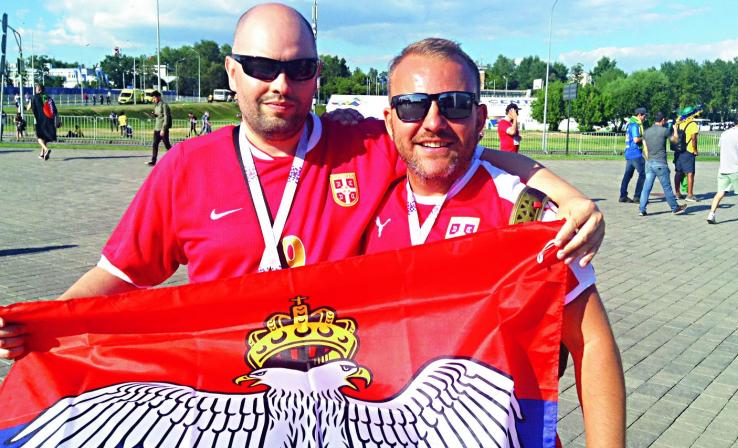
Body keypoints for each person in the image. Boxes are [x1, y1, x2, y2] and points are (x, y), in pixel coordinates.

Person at [0, 2, 604, 363]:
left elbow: (465, 147)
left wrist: (571, 197)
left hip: (344, 398)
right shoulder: (187, 167)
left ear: (317, 76)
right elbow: (120, 275)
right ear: (232, 72)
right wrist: (41, 320)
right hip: (226, 392)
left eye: (299, 69)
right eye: (262, 68)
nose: (280, 85)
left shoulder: (364, 143)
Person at [364, 37, 625, 447]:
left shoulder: (527, 213)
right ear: (389, 118)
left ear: (480, 116)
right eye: (412, 105)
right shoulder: (367, 203)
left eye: (454, 104)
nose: (433, 121)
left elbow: (591, 341)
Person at [707, 112, 738, 224]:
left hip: (723, 168)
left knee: (720, 192)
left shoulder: (724, 134)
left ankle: (711, 214)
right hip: (736, 169)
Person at [638, 112, 687, 216]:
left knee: (647, 187)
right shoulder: (665, 131)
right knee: (667, 187)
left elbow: (645, 148)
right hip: (660, 163)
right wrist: (674, 129)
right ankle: (675, 208)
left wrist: (649, 159)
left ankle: (642, 209)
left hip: (649, 162)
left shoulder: (646, 132)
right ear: (663, 120)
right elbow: (675, 140)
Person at [619, 107, 646, 203]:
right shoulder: (635, 125)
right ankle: (637, 196)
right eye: (644, 115)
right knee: (644, 173)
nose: (645, 118)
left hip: (629, 153)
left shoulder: (630, 123)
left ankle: (623, 196)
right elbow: (636, 139)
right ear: (639, 115)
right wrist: (644, 137)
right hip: (635, 153)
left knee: (628, 175)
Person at [674, 106, 700, 202]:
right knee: (690, 173)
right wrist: (695, 149)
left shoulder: (679, 122)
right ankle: (689, 195)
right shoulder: (693, 124)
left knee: (678, 172)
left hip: (678, 151)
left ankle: (677, 193)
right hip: (688, 151)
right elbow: (694, 138)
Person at [28, 84, 59, 160]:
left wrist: (24, 106)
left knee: (39, 137)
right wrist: (58, 120)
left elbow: (28, 107)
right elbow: (55, 111)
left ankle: (46, 149)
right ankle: (42, 154)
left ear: (38, 90)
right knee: (44, 137)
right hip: (50, 120)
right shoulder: (49, 98)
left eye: (36, 89)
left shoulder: (34, 97)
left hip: (40, 120)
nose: (35, 90)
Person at [147, 90, 172, 166]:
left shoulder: (164, 105)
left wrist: (163, 129)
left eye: (154, 98)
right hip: (156, 128)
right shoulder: (156, 105)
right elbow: (158, 116)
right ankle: (153, 161)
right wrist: (154, 115)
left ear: (158, 97)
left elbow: (166, 117)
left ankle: (176, 157)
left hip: (162, 129)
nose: (153, 100)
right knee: (155, 144)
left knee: (167, 146)